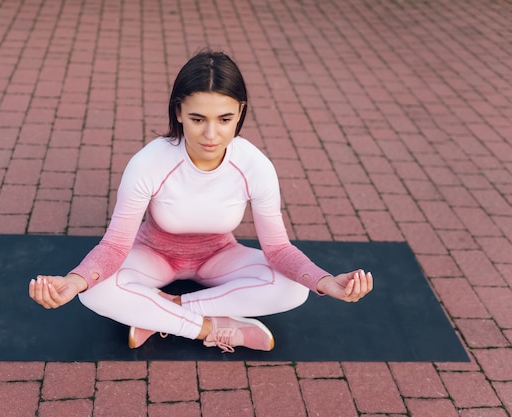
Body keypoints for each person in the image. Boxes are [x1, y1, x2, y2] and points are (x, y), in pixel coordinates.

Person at [29, 50, 373, 352]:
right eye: (197, 119)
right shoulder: (149, 162)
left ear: (240, 112)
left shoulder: (255, 166)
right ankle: (214, 328)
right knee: (93, 292)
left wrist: (324, 282)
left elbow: (278, 250)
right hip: (154, 255)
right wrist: (74, 281)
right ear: (179, 112)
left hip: (218, 256)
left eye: (224, 119)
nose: (211, 135)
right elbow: (116, 245)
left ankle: (163, 312)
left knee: (295, 290)